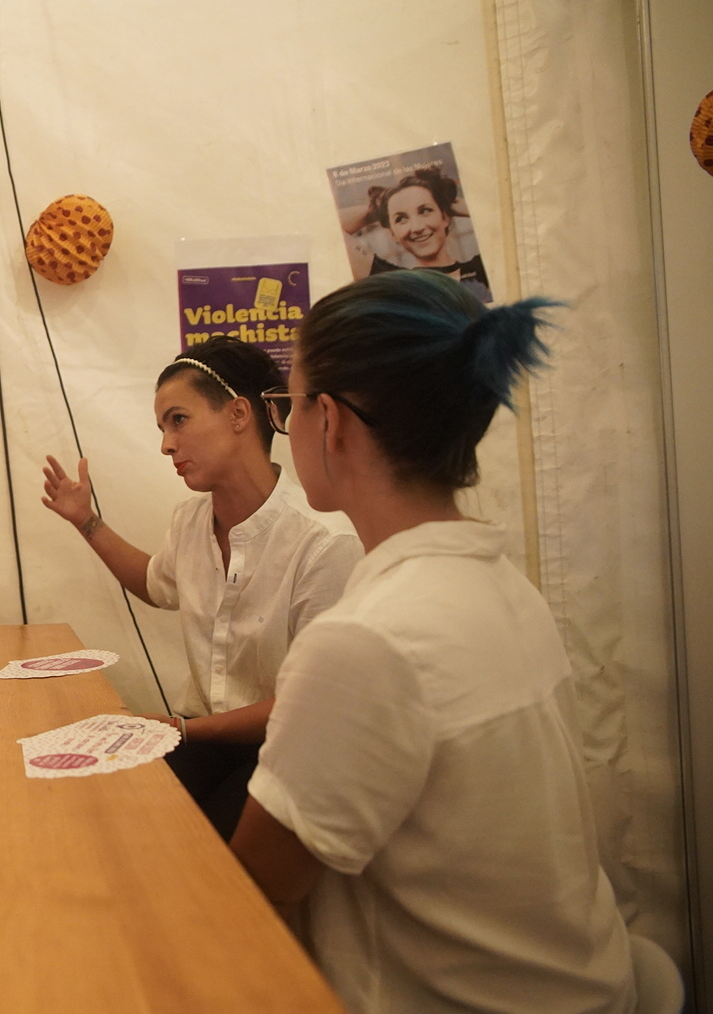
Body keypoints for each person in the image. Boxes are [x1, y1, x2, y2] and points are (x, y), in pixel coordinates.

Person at [230, 271, 634, 1012]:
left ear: (332, 422)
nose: (285, 425)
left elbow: (253, 892)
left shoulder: (364, 641)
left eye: (289, 403)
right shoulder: (505, 587)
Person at [40, 335, 362, 838]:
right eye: (163, 427)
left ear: (238, 414)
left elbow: (313, 703)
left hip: (289, 752)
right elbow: (155, 585)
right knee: (110, 819)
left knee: (203, 851)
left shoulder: (322, 542)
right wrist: (85, 521)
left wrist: (182, 728)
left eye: (178, 420)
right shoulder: (190, 521)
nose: (166, 444)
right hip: (203, 740)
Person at [341, 164, 492, 301]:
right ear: (392, 233)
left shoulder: (483, 267)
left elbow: (503, 216)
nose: (417, 227)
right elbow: (332, 229)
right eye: (400, 219)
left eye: (425, 211)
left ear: (445, 217)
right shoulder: (392, 284)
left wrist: (450, 204)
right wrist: (378, 211)